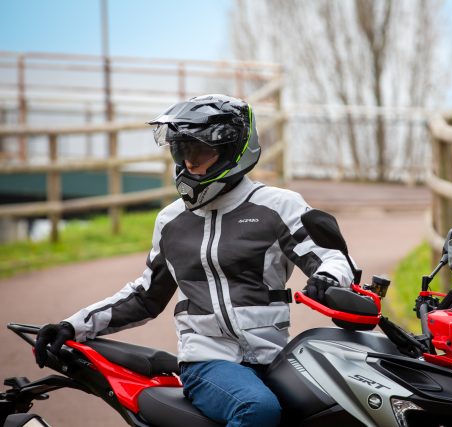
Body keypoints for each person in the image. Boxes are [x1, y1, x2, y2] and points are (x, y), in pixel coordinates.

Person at [34, 94, 354, 427]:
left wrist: (329, 278)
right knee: (256, 410)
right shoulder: (171, 221)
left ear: (233, 151)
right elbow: (144, 296)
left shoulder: (278, 206)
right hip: (207, 361)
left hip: (275, 358)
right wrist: (73, 325)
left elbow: (331, 256)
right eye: (182, 151)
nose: (189, 163)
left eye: (200, 152)